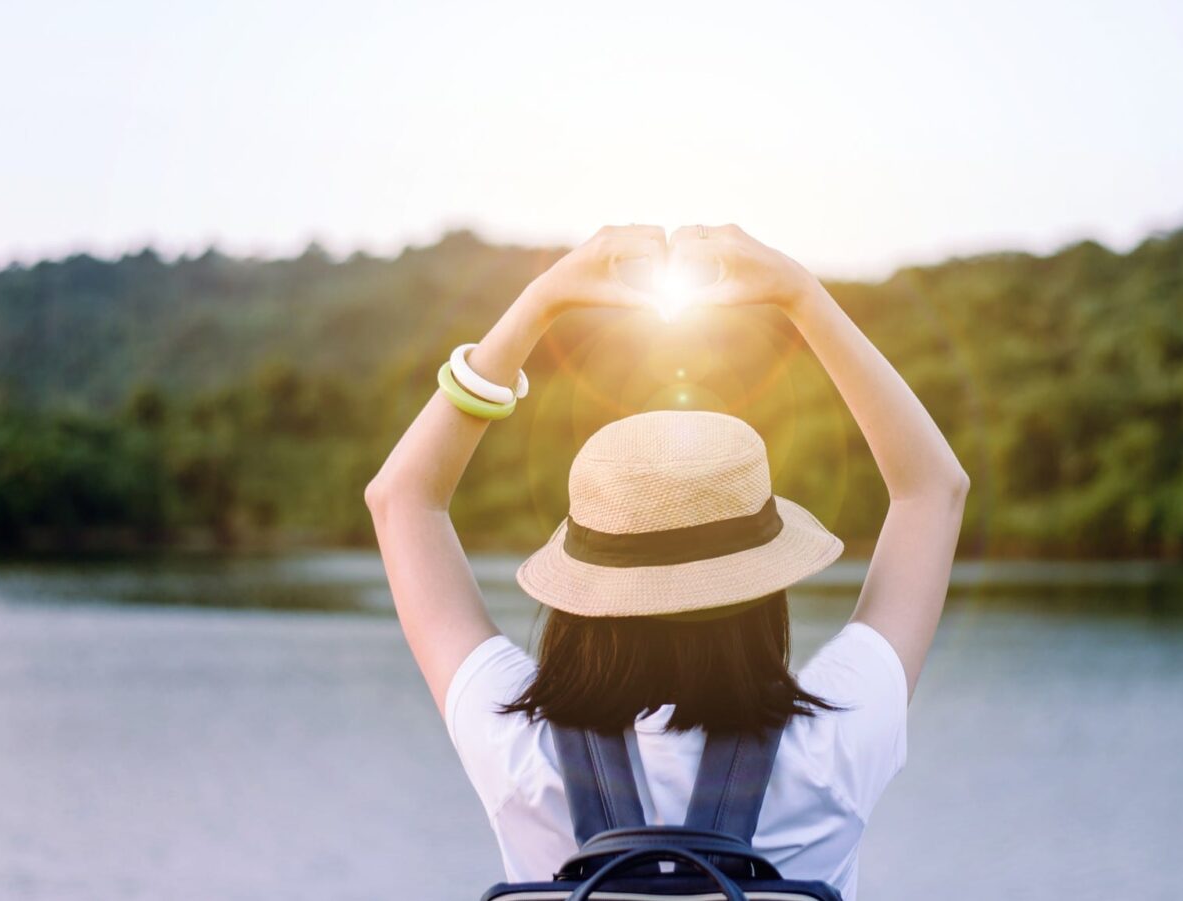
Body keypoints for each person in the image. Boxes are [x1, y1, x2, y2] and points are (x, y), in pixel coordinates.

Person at [365, 224, 970, 899]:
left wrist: (539, 303)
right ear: (764, 583)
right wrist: (802, 298)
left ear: (582, 592)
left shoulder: (516, 745)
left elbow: (401, 500)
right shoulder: (835, 741)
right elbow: (932, 491)